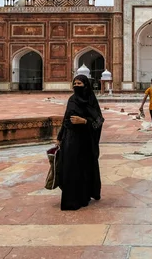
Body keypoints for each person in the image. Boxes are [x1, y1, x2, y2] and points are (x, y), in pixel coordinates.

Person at [58, 75, 104, 211]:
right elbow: (65, 118)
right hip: (70, 139)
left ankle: (84, 196)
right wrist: (60, 137)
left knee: (84, 168)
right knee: (70, 168)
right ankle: (71, 200)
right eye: (75, 83)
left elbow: (99, 120)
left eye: (80, 83)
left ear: (86, 85)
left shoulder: (91, 100)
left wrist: (84, 121)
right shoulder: (72, 99)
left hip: (85, 140)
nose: (77, 86)